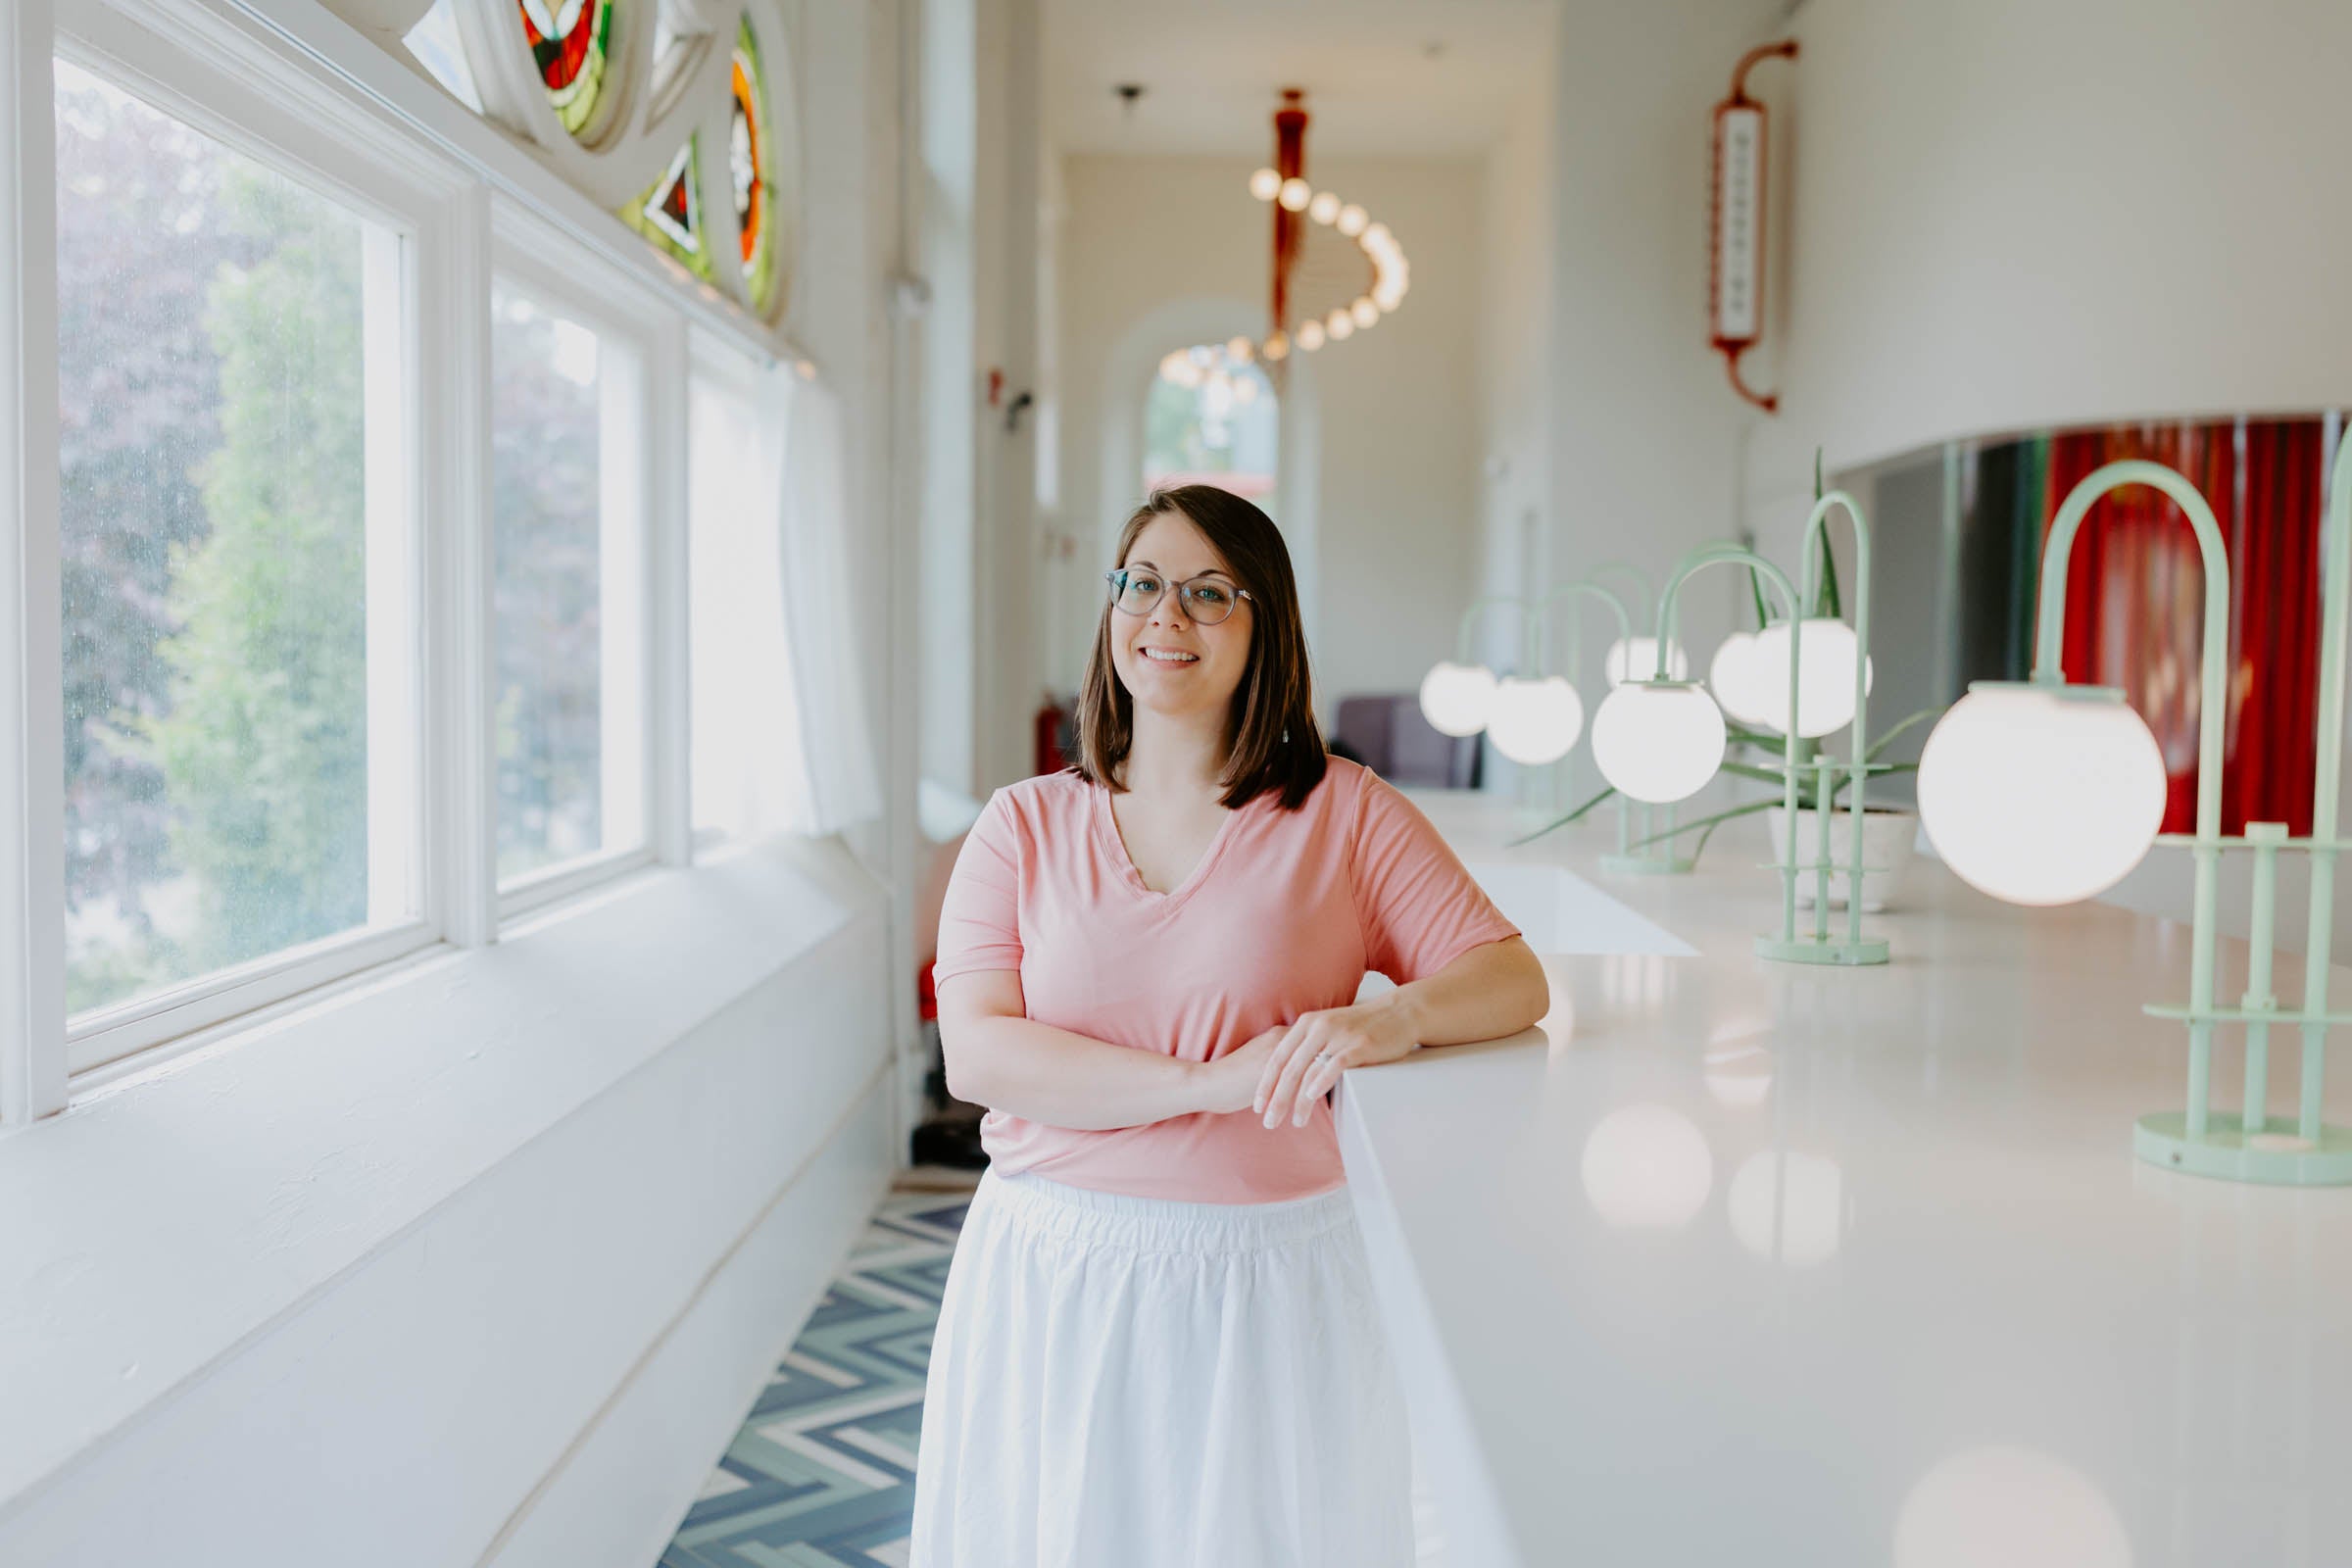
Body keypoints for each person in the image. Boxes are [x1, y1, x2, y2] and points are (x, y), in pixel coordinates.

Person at [909, 485, 1548, 1567]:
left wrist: (1388, 1025)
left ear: (1267, 629)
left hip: (1273, 1275)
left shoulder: (1344, 810)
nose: (1168, 616)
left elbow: (1510, 976)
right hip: (1055, 1265)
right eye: (1143, 584)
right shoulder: (1022, 823)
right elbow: (978, 1052)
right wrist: (1207, 1082)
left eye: (1211, 593)